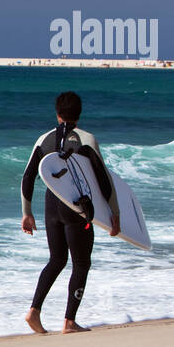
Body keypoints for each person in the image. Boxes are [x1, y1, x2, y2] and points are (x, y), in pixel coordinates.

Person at [20, 91, 120, 334]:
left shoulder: (43, 140)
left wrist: (26, 212)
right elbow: (103, 181)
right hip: (77, 208)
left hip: (51, 206)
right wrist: (114, 214)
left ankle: (34, 311)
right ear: (80, 113)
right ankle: (69, 321)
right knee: (82, 263)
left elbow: (28, 176)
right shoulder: (86, 140)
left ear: (57, 113)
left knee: (56, 260)